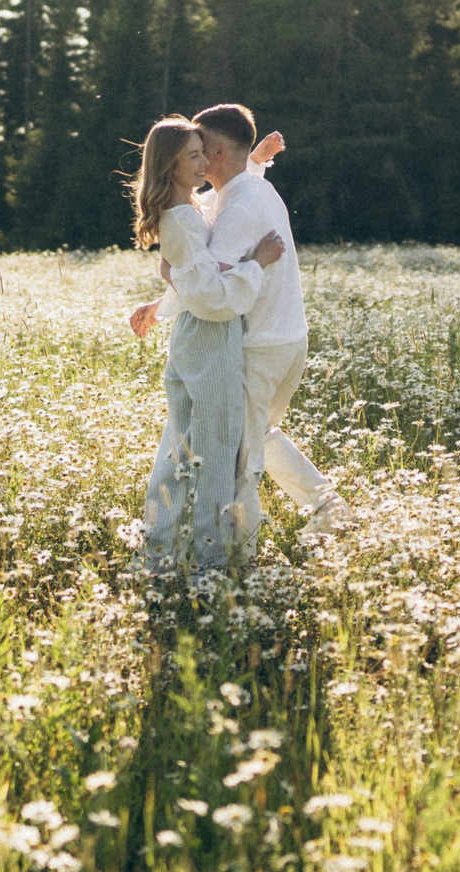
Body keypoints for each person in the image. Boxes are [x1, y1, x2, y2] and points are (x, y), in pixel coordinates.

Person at [131, 103, 344, 538]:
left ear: (219, 155)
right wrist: (257, 161)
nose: (196, 158)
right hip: (289, 339)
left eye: (200, 150)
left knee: (237, 458)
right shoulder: (249, 188)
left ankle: (235, 558)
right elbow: (212, 208)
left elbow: (210, 286)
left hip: (259, 347)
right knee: (259, 432)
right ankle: (326, 505)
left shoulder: (237, 210)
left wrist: (170, 279)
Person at [126, 116, 286, 570]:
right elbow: (214, 301)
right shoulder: (182, 222)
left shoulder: (188, 207)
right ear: (170, 167)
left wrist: (252, 163)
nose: (205, 163)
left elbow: (221, 201)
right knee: (214, 452)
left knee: (181, 445)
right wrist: (256, 262)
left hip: (195, 337)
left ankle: (159, 548)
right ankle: (210, 563)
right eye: (193, 156)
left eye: (204, 152)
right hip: (210, 337)